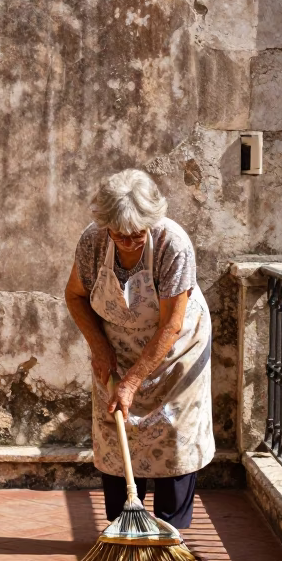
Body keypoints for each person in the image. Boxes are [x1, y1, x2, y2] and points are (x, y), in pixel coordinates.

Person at [65, 168, 215, 529]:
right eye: (120, 236)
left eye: (136, 235)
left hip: (175, 351)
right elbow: (75, 296)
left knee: (173, 434)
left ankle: (170, 529)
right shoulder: (93, 242)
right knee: (116, 432)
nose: (129, 242)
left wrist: (134, 381)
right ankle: (124, 527)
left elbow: (171, 325)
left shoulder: (172, 245)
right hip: (116, 347)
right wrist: (100, 349)